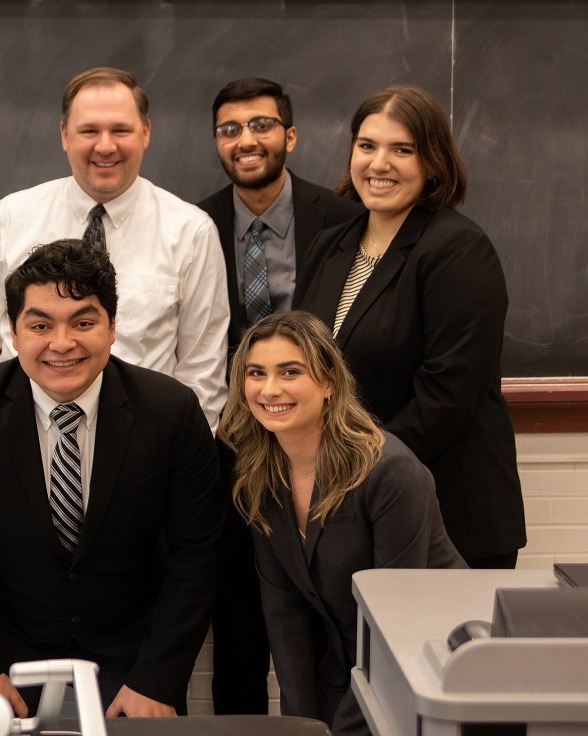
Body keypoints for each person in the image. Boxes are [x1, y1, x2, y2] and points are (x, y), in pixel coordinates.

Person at [0, 240, 222, 718]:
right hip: (4, 658)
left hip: (134, 660)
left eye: (83, 322)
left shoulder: (172, 412)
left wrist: (157, 678)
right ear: (12, 332)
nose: (61, 343)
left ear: (113, 328)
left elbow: (197, 552)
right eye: (40, 325)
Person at [294, 85, 526, 569]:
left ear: (434, 161)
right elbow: (306, 363)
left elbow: (446, 396)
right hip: (349, 503)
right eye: (367, 145)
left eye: (403, 149)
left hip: (448, 510)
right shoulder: (329, 245)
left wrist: (350, 469)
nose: (380, 164)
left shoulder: (458, 249)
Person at [196, 77, 362, 716]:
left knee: (328, 629)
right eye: (230, 129)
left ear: (289, 135)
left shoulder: (344, 221)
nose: (247, 140)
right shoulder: (194, 223)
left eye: (261, 125)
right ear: (217, 142)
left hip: (326, 450)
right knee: (239, 626)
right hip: (234, 455)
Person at [219, 311, 465, 736]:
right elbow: (284, 614)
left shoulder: (390, 472)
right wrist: (303, 724)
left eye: (290, 371)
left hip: (434, 679)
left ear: (329, 381)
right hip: (347, 675)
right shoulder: (261, 474)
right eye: (256, 373)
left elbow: (395, 625)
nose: (270, 388)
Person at [0, 66, 228, 430]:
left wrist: (179, 455)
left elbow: (201, 370)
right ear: (65, 134)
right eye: (90, 130)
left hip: (145, 446)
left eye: (120, 130)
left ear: (145, 133)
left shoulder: (191, 230)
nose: (105, 145)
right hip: (20, 440)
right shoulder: (10, 217)